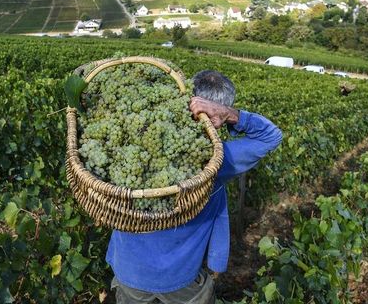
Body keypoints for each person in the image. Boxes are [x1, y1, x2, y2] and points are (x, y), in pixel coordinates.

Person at [107, 70, 283, 303]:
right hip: (181, 279)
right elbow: (270, 136)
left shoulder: (132, 140)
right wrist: (230, 114)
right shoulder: (216, 161)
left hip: (129, 271)